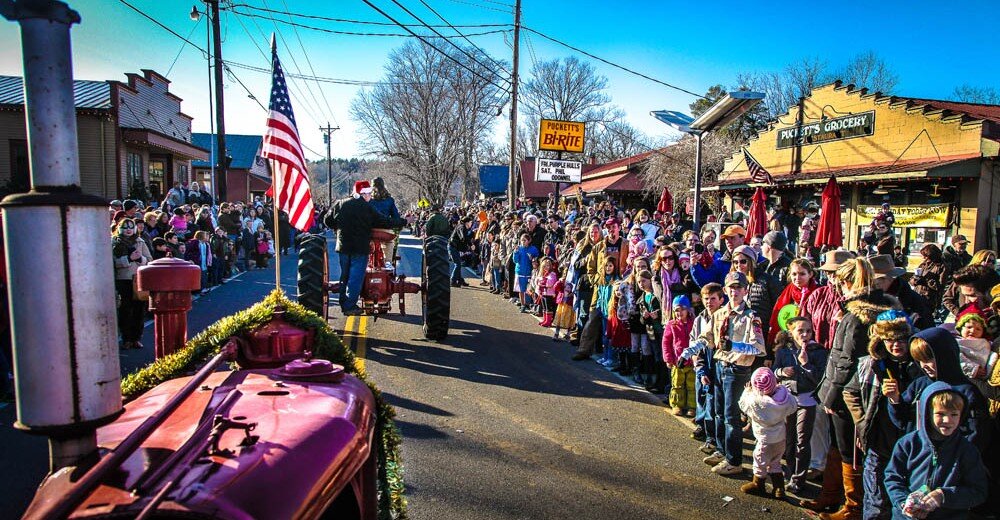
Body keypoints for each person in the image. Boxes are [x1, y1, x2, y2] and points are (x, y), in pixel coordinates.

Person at [814, 257, 899, 520]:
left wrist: (829, 395)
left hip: (850, 394)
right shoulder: (886, 308)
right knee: (842, 446)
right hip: (867, 389)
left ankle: (852, 506)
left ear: (847, 282)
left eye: (838, 282)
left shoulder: (855, 317)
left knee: (849, 448)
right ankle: (832, 496)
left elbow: (844, 361)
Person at [843, 310, 922, 520]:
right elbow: (850, 392)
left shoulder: (920, 367)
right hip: (878, 443)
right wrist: (862, 423)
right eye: (889, 340)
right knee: (876, 504)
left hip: (910, 446)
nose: (896, 345)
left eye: (901, 339)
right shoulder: (870, 364)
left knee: (903, 504)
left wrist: (898, 398)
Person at [696, 271, 766, 476]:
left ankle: (734, 460)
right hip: (719, 366)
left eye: (738, 288)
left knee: (731, 417)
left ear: (745, 291)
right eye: (731, 288)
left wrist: (735, 345)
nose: (734, 292)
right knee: (718, 412)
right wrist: (693, 350)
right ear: (725, 291)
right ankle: (722, 449)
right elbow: (707, 337)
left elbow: (759, 348)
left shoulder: (751, 317)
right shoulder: (719, 314)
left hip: (737, 370)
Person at [884, 384, 988, 519]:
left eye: (954, 414)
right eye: (940, 414)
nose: (947, 420)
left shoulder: (966, 450)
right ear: (927, 413)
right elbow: (892, 478)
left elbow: (978, 491)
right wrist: (904, 502)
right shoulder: (908, 443)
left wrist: (943, 496)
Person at [324, 180, 403, 315]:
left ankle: (344, 303)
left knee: (345, 276)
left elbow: (327, 220)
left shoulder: (340, 203)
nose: (370, 196)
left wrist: (337, 228)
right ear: (363, 193)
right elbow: (384, 221)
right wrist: (404, 221)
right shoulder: (367, 207)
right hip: (360, 247)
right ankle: (349, 306)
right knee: (355, 277)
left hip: (343, 246)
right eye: (368, 193)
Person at [772, 317, 827, 494]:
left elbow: (820, 379)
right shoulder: (784, 351)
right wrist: (781, 371)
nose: (804, 335)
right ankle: (790, 472)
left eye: (808, 331)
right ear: (791, 333)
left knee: (802, 441)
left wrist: (806, 364)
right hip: (788, 399)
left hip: (807, 399)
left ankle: (799, 479)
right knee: (789, 439)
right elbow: (774, 372)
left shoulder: (818, 351)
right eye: (800, 331)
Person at [738, 366, 798, 498]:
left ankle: (758, 484)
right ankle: (779, 488)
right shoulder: (784, 398)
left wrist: (747, 391)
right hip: (780, 438)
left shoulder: (755, 402)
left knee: (760, 461)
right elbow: (793, 406)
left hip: (764, 439)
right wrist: (785, 392)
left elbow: (743, 404)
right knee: (775, 462)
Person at [686, 283, 725, 455]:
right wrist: (696, 363)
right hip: (701, 361)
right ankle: (702, 426)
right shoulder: (700, 319)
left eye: (713, 299)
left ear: (721, 300)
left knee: (714, 401)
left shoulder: (724, 317)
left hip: (716, 362)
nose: (709, 302)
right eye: (706, 299)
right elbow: (693, 342)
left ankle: (715, 437)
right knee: (701, 395)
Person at [111, 218, 152, 350]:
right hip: (123, 280)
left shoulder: (140, 242)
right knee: (125, 310)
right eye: (125, 227)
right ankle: (126, 338)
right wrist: (128, 259)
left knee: (139, 310)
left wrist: (140, 259)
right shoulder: (115, 243)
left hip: (138, 279)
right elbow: (113, 262)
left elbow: (149, 259)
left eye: (130, 227)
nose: (128, 229)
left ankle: (136, 338)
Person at [768, 258, 818, 347]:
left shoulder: (818, 292)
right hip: (789, 340)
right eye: (794, 274)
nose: (797, 278)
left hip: (811, 340)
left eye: (802, 274)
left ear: (810, 274)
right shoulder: (787, 292)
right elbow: (777, 318)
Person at [662, 295, 695, 416]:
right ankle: (677, 404)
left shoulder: (694, 323)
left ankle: (692, 406)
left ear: (688, 310)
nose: (679, 313)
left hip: (692, 361)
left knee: (692, 385)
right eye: (676, 310)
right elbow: (666, 342)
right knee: (677, 384)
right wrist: (668, 358)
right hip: (677, 361)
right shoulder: (671, 325)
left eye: (682, 309)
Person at [909, 244, 950, 314]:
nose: (923, 258)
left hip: (929, 298)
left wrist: (926, 280)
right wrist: (914, 280)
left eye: (925, 256)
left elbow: (940, 286)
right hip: (917, 295)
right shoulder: (923, 264)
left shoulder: (942, 267)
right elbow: (912, 280)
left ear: (932, 256)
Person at [513, 233, 539, 313]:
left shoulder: (533, 249)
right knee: (521, 290)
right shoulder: (519, 248)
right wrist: (516, 252)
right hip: (519, 271)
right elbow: (515, 261)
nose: (522, 242)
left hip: (529, 272)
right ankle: (523, 305)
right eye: (521, 240)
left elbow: (537, 260)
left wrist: (532, 258)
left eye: (524, 240)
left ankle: (529, 304)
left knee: (529, 289)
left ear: (529, 241)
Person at [450, 217, 474, 287]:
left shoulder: (462, 227)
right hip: (452, 247)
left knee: (458, 264)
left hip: (455, 247)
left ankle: (460, 280)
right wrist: (470, 244)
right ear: (467, 222)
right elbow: (463, 237)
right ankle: (452, 281)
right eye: (470, 222)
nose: (471, 223)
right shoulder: (462, 227)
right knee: (458, 264)